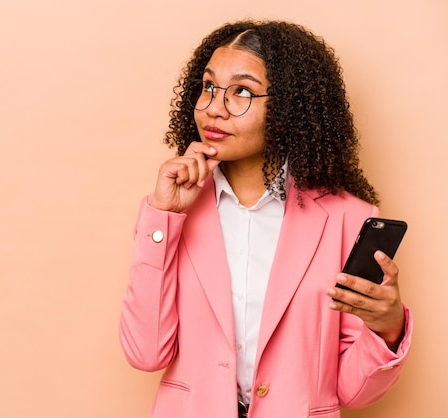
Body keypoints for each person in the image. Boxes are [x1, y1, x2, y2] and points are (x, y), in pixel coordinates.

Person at [118, 20, 412, 418]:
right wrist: (164, 216)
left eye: (242, 91)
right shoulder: (170, 212)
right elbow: (146, 353)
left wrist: (387, 328)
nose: (213, 108)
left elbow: (351, 391)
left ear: (290, 107)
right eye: (208, 87)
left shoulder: (348, 218)